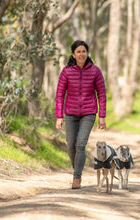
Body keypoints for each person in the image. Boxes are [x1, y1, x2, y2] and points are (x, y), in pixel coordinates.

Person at [55, 40, 106, 189]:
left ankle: (77, 177)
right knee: (71, 145)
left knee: (80, 144)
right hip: (70, 113)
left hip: (89, 114)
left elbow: (101, 94)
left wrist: (101, 116)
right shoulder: (67, 71)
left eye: (84, 51)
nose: (81, 54)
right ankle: (76, 165)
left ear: (87, 53)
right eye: (78, 51)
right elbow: (60, 94)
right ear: (73, 54)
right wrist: (59, 116)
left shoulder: (95, 71)